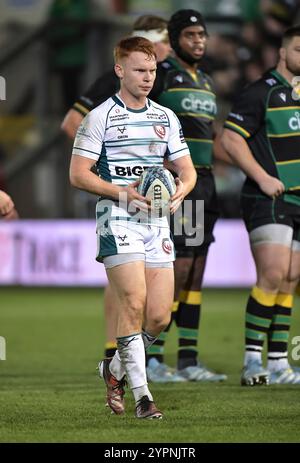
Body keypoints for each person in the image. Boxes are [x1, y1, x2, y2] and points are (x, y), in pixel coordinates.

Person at [69, 36, 196, 418]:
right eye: (140, 70)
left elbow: (187, 172)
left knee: (159, 317)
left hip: (157, 222)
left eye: (153, 70)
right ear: (119, 70)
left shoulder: (165, 117)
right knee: (134, 302)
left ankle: (113, 370)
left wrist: (180, 193)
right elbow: (77, 175)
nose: (147, 77)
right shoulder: (100, 117)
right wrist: (119, 192)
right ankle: (143, 397)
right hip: (117, 217)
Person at [62, 14, 171, 361]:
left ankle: (144, 357)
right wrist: (104, 169)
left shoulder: (168, 84)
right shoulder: (112, 87)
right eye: (161, 39)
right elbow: (72, 123)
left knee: (162, 299)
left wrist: (166, 177)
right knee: (127, 286)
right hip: (120, 201)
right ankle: (117, 350)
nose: (166, 46)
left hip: (163, 199)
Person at [145, 9, 228, 382]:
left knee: (196, 270)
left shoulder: (206, 81)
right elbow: (145, 118)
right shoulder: (162, 76)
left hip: (207, 185)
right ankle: (154, 357)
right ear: (176, 39)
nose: (199, 41)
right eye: (191, 35)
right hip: (183, 185)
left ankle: (189, 359)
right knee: (178, 270)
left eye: (202, 35)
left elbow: (208, 133)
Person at [221, 24, 300, 386]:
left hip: (298, 199)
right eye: (299, 49)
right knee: (271, 274)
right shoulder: (261, 93)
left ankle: (280, 362)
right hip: (268, 197)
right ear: (283, 52)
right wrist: (263, 177)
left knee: (290, 278)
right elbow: (230, 139)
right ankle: (253, 361)